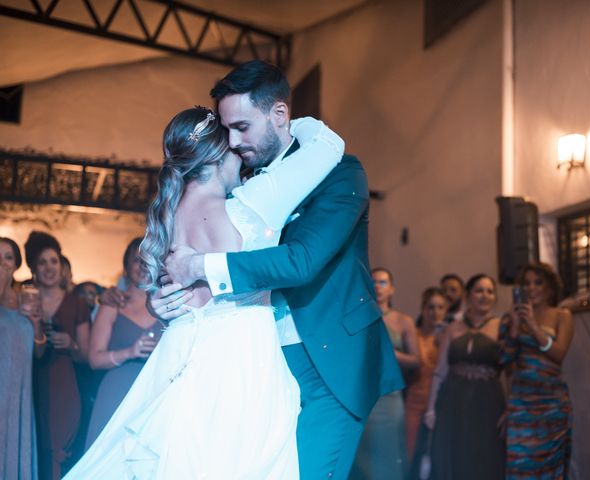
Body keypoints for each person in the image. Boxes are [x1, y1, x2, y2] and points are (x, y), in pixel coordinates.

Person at [152, 60, 404, 478]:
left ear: (280, 114)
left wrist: (201, 266)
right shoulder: (238, 178)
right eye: (227, 130)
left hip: (329, 361)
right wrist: (169, 297)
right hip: (259, 363)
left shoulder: (341, 175)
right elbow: (187, 244)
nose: (232, 142)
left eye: (242, 127)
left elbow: (301, 260)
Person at [64, 109, 344, 479]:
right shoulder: (251, 204)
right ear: (215, 157)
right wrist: (282, 121)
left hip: (179, 350)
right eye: (234, 146)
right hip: (240, 351)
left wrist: (158, 305)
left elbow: (168, 298)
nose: (241, 156)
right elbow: (329, 145)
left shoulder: (168, 217)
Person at [84, 237, 162, 449]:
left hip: (154, 393)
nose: (143, 265)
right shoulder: (112, 304)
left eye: (149, 259)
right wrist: (129, 351)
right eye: (137, 260)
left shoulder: (167, 304)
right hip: (117, 392)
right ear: (126, 266)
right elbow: (94, 359)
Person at [425, 274, 505, 480]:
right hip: (454, 399)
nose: (485, 296)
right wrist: (431, 408)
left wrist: (511, 407)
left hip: (488, 400)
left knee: (485, 454)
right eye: (479, 290)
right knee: (453, 452)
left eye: (490, 291)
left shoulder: (502, 327)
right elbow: (440, 370)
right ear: (468, 295)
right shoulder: (453, 328)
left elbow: (510, 371)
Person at [25, 231, 90, 480]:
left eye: (54, 261)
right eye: (42, 262)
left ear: (61, 266)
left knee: (59, 452)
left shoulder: (77, 303)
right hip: (29, 379)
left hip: (63, 383)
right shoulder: (22, 298)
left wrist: (72, 345)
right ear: (33, 268)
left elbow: (86, 357)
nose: (49, 267)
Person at [503, 262, 573, 479]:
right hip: (522, 403)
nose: (531, 288)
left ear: (550, 287)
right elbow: (505, 360)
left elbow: (558, 354)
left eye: (538, 282)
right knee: (520, 465)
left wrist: (533, 327)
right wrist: (515, 327)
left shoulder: (562, 315)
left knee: (550, 469)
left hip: (552, 403)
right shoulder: (511, 318)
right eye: (526, 283)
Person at [350, 267, 419, 479]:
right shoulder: (358, 316)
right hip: (363, 395)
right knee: (362, 453)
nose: (378, 287)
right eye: (374, 282)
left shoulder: (403, 321)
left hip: (390, 394)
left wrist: (392, 354)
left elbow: (417, 361)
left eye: (383, 282)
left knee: (389, 449)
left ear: (392, 289)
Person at [0, 236, 44, 480]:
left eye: (8, 258)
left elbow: (39, 352)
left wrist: (36, 324)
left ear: (16, 264)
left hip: (19, 388)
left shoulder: (27, 297)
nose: (3, 263)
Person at [405, 287, 447, 470]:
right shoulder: (414, 334)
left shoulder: (450, 336)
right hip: (414, 400)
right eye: (430, 307)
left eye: (440, 307)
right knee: (410, 453)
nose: (435, 312)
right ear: (423, 309)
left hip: (441, 403)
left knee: (437, 456)